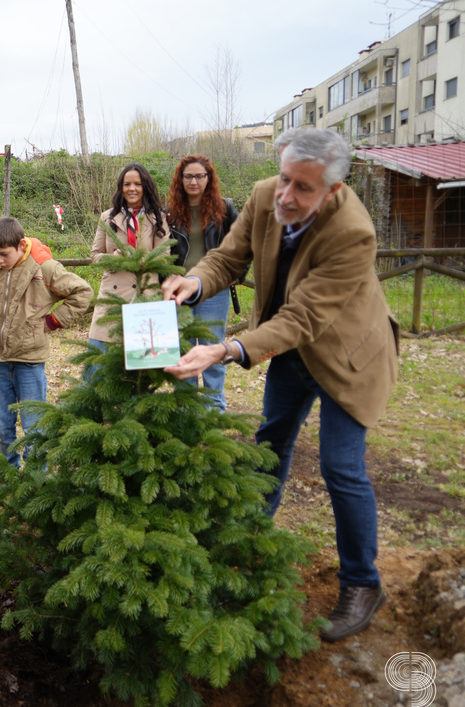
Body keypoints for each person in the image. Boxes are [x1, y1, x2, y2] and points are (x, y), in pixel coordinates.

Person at [161, 128, 399, 643]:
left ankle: (362, 581)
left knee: (341, 466)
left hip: (348, 357)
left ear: (333, 190)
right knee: (271, 444)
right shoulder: (266, 194)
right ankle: (248, 545)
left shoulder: (354, 232)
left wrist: (225, 348)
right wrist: (195, 281)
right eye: (285, 178)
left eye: (304, 188)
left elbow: (302, 318)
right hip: (291, 352)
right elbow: (229, 256)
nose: (286, 196)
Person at [0, 217, 91, 485]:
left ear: (21, 245)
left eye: (5, 254)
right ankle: (6, 476)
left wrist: (51, 321)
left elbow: (82, 293)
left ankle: (37, 478)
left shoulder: (43, 268)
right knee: (2, 424)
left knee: (34, 424)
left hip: (30, 362)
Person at [165, 155, 239, 410]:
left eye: (199, 176)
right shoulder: (171, 212)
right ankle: (186, 407)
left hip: (212, 290)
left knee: (211, 344)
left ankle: (213, 405)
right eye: (188, 176)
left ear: (209, 179)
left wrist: (235, 274)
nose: (194, 181)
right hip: (179, 290)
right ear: (180, 179)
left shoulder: (225, 209)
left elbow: (242, 244)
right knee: (181, 346)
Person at [87, 163, 169, 351]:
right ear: (121, 187)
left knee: (144, 362)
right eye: (127, 184)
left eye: (138, 184)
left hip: (146, 295)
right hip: (112, 296)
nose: (132, 188)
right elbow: (95, 255)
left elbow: (164, 259)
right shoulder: (108, 217)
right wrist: (112, 259)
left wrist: (135, 258)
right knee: (100, 361)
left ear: (145, 187)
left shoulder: (158, 217)